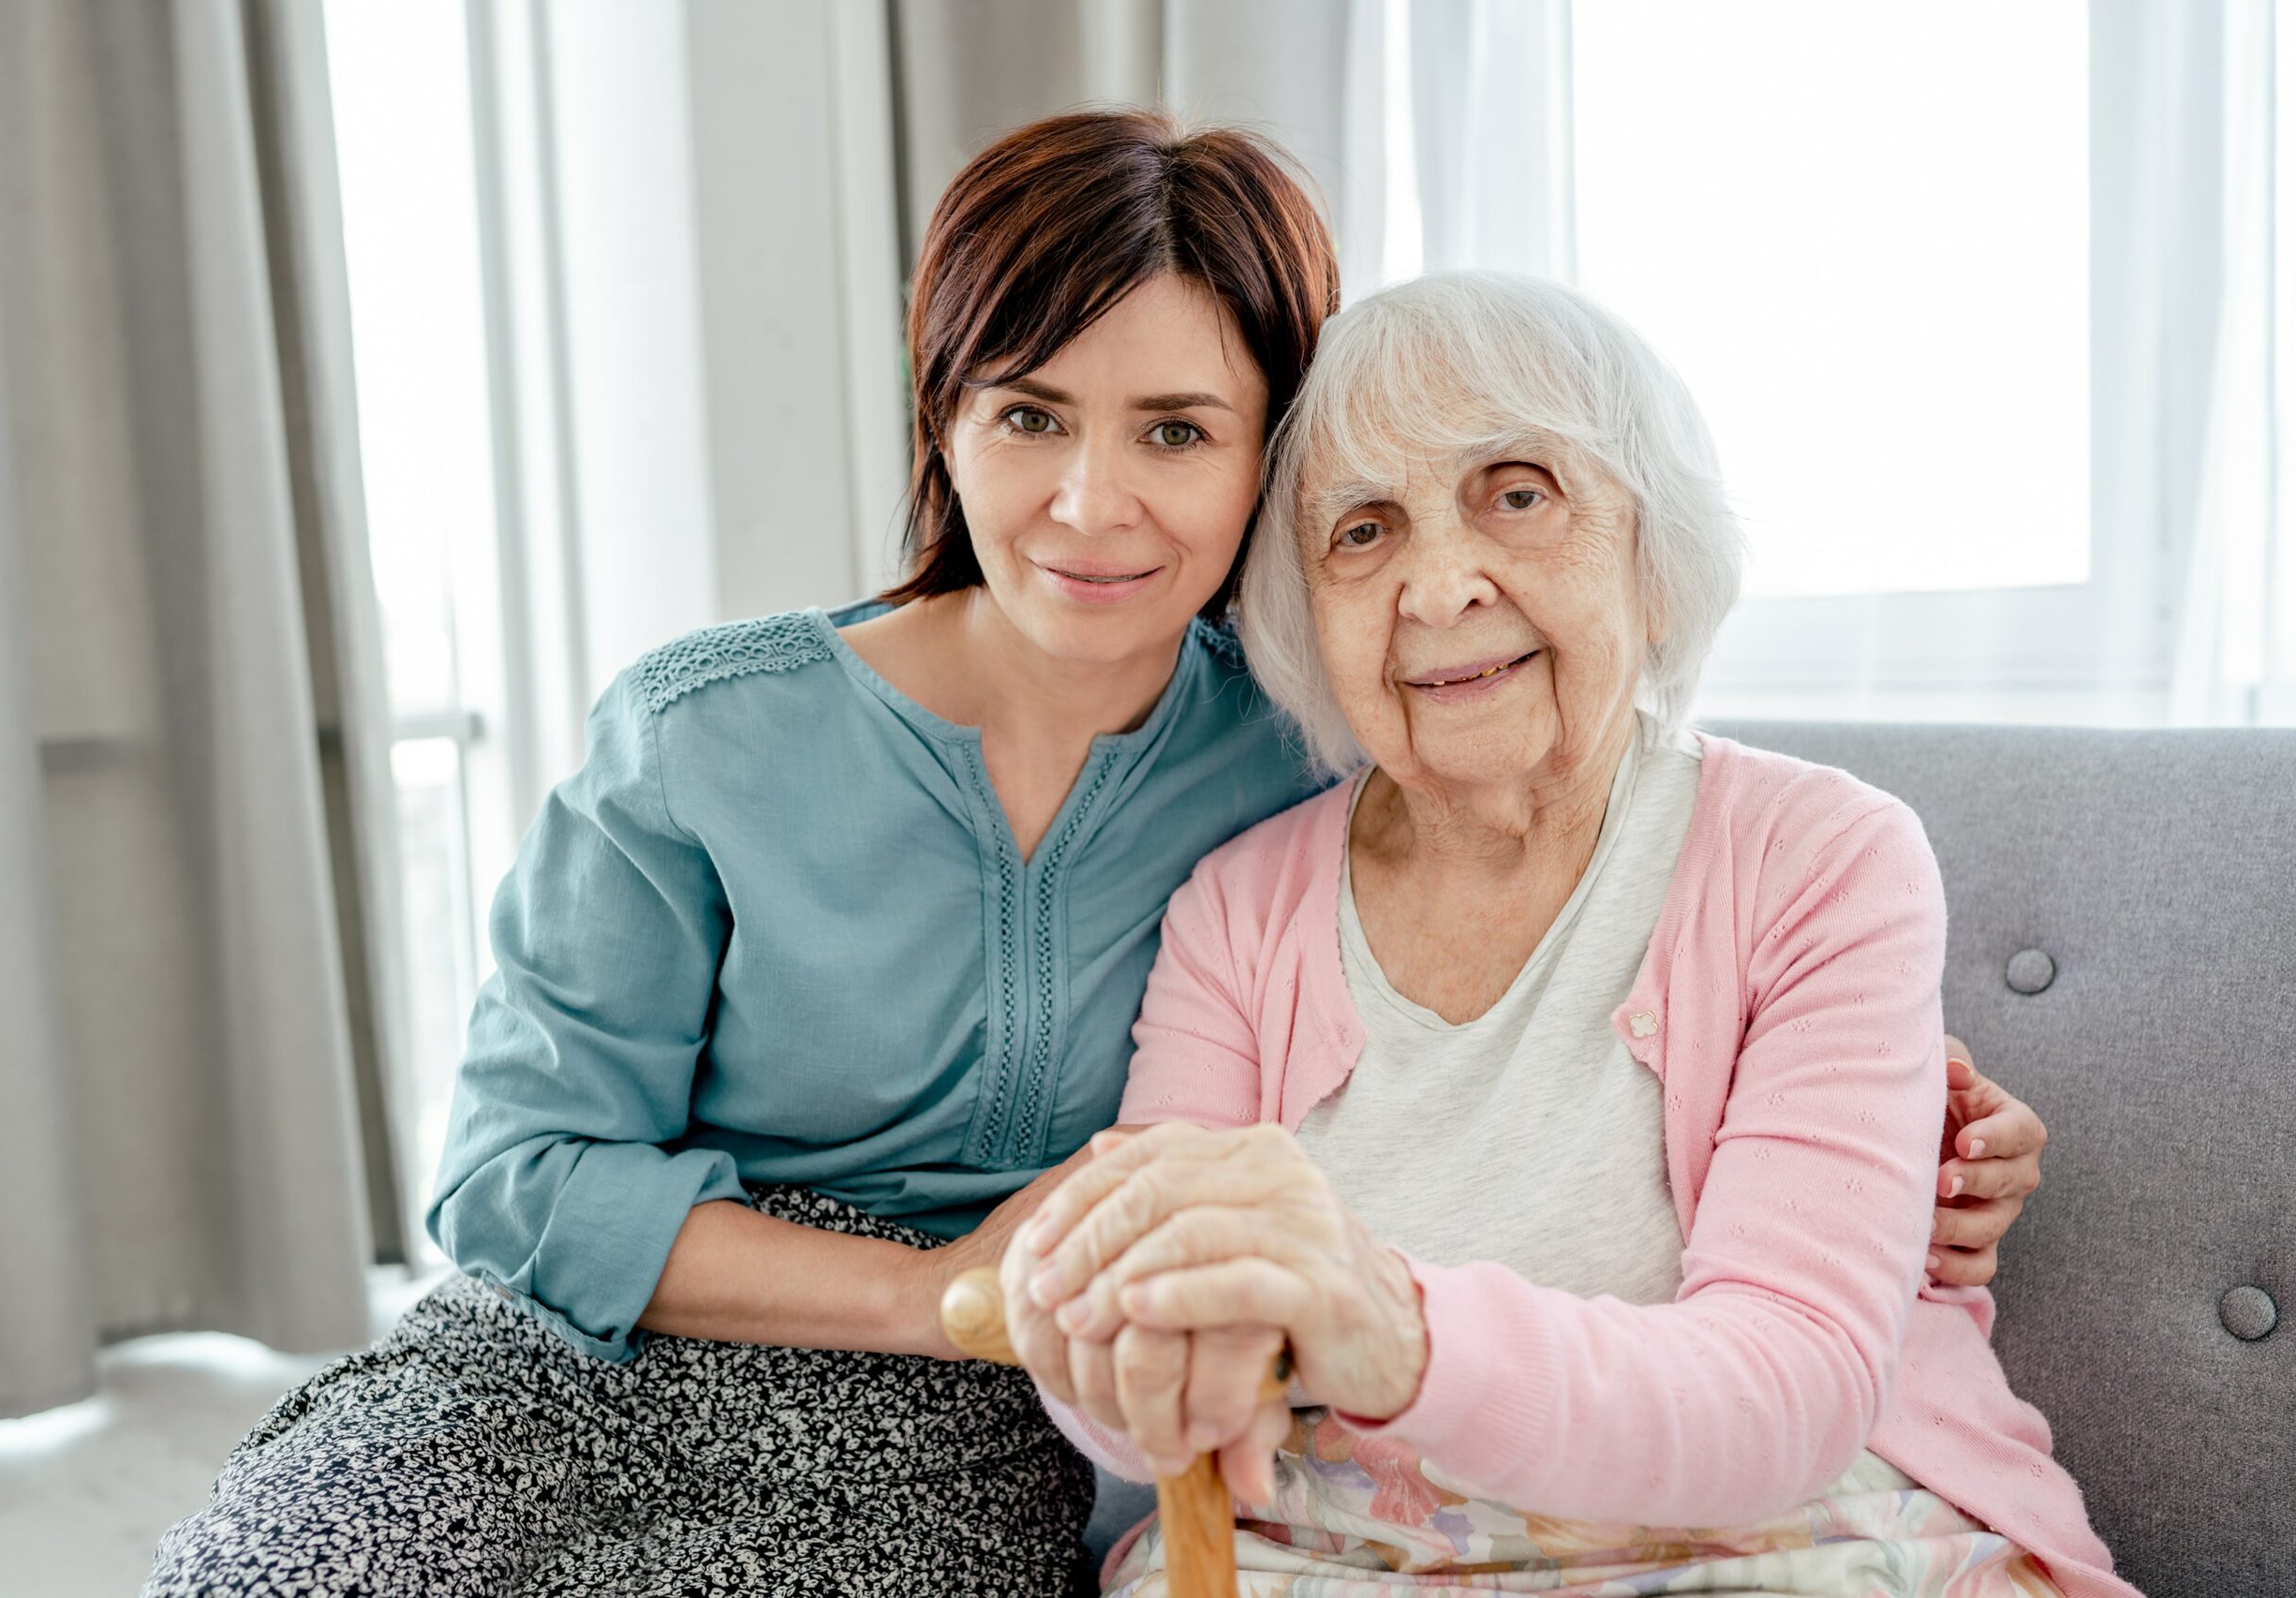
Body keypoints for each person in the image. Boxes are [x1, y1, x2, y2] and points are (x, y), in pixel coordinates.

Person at [145, 118, 2048, 1598]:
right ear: (945, 419)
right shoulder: (712, 735)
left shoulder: (1296, 734)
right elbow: (513, 1176)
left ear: (1255, 471)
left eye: (1175, 431)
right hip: (610, 1343)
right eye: (1030, 415)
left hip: (963, 1424)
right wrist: (949, 1287)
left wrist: (1895, 1127)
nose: (1088, 504)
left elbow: (1645, 920)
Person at [1002, 273, 2123, 1597]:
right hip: (1339, 1550)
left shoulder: (1818, 854)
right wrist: (1111, 1337)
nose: (1437, 585)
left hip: (1793, 1532)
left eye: (1516, 492)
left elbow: (1788, 1386)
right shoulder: (1236, 909)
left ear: (1651, 549)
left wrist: (1389, 1322)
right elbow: (1141, 1400)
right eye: (1361, 532)